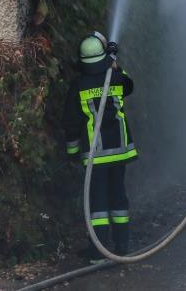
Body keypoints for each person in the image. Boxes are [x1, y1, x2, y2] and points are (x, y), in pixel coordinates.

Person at [63, 31, 137, 262]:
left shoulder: (78, 85)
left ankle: (99, 251)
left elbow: (71, 122)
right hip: (119, 152)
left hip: (95, 155)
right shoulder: (115, 77)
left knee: (98, 204)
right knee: (118, 197)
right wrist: (115, 63)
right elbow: (129, 85)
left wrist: (72, 152)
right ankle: (122, 245)